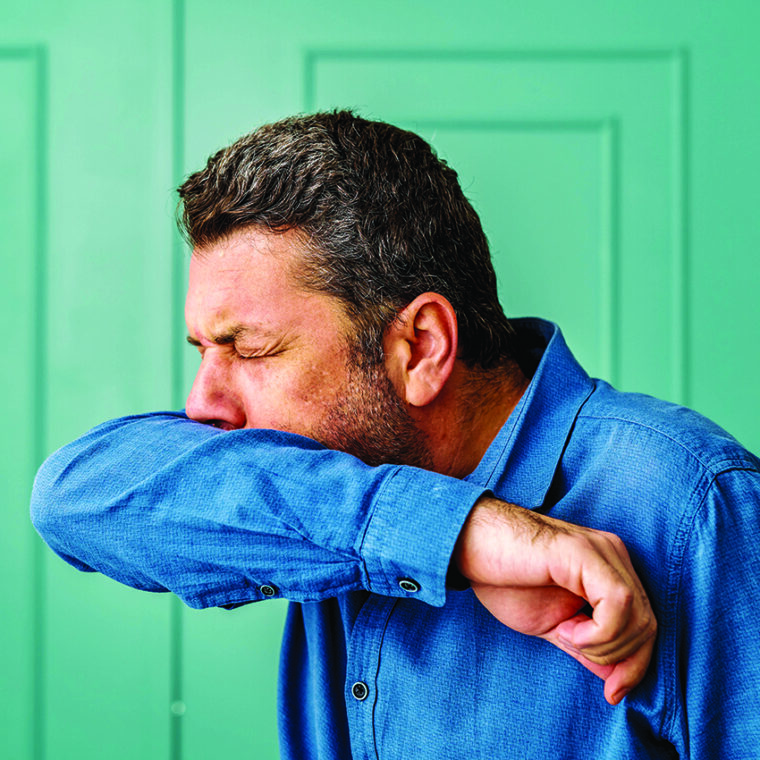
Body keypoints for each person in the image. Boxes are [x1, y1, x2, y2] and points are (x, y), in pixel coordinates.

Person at [31, 111, 759, 758]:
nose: (202, 407)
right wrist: (464, 535)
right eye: (203, 351)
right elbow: (73, 498)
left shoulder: (694, 507)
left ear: (420, 348)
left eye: (250, 350)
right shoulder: (321, 484)